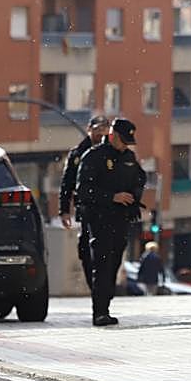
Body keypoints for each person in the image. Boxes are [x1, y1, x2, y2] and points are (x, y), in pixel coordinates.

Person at [76, 117, 146, 326]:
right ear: (112, 136)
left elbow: (139, 179)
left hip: (121, 219)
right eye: (122, 140)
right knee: (102, 264)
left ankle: (105, 300)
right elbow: (83, 190)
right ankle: (100, 312)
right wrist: (112, 197)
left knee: (114, 263)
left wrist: (134, 199)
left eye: (128, 142)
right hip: (99, 218)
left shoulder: (129, 157)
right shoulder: (94, 156)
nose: (125, 145)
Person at [59, 114, 109, 291]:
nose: (100, 135)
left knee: (108, 252)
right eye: (97, 130)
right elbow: (67, 183)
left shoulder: (112, 152)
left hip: (109, 211)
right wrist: (64, 210)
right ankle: (96, 290)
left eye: (104, 131)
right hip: (86, 209)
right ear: (89, 129)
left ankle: (104, 290)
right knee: (86, 252)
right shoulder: (78, 154)